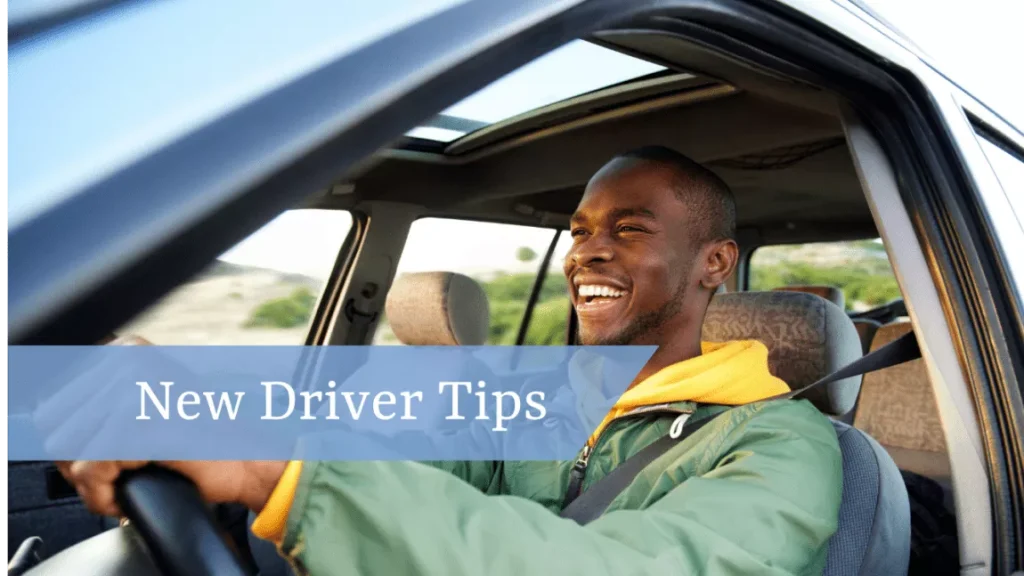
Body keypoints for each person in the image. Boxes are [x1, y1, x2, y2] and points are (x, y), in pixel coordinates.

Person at [61, 146, 842, 575]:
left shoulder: (779, 446)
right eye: (578, 231)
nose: (588, 251)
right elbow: (408, 458)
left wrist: (277, 473)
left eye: (630, 229)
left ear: (715, 263)